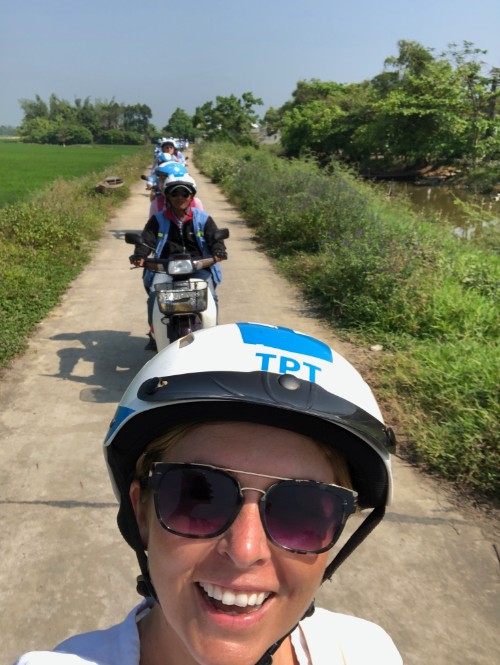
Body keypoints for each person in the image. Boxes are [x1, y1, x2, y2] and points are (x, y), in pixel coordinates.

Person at [15, 322, 402, 665]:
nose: (245, 550)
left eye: (301, 512)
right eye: (198, 496)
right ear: (141, 514)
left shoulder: (367, 652)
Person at [133, 173, 226, 351]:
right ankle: (154, 334)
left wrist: (218, 250)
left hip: (199, 266)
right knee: (154, 297)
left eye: (185, 193)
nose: (180, 197)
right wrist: (140, 254)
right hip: (165, 269)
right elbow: (146, 241)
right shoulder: (157, 220)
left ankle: (213, 332)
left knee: (211, 297)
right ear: (167, 196)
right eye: (175, 193)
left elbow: (215, 238)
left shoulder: (203, 218)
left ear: (191, 196)